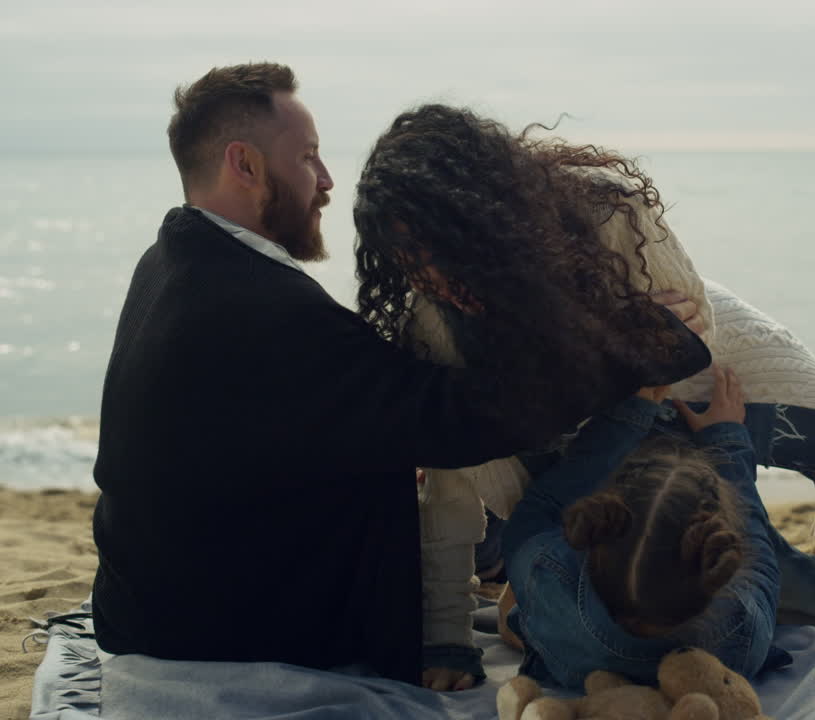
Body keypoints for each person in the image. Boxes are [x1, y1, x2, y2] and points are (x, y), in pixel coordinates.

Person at [352, 103, 815, 688]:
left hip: (709, 378)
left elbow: (694, 333)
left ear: (488, 219)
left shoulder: (603, 214)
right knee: (792, 603)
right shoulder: (435, 328)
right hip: (604, 439)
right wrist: (446, 638)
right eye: (407, 260)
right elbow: (450, 485)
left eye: (441, 250)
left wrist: (655, 379)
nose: (432, 278)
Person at [90, 63, 710, 686]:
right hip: (229, 630)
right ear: (245, 165)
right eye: (307, 158)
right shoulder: (263, 308)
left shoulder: (175, 260)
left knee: (459, 503)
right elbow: (459, 420)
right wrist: (631, 343)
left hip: (149, 606)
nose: (328, 180)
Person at [501, 366, 815, 690]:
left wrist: (627, 416)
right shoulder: (739, 631)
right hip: (769, 599)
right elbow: (757, 543)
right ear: (715, 558)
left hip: (557, 634)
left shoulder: (547, 572)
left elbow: (541, 506)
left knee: (513, 615)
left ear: (602, 524)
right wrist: (727, 438)